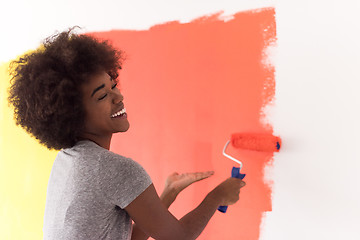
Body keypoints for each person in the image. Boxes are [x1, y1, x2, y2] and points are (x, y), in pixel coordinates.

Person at [8, 28, 246, 240]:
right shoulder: (113, 169)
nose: (118, 97)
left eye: (113, 85)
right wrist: (217, 197)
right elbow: (179, 237)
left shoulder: (68, 160)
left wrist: (169, 192)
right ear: (73, 114)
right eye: (102, 96)